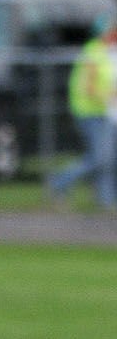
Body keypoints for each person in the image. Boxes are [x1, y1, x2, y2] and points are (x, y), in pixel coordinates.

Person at [49, 15, 117, 210]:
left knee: (107, 157)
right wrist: (110, 95)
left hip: (104, 112)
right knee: (100, 158)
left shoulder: (107, 52)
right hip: (90, 112)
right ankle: (60, 182)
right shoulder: (94, 52)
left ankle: (106, 199)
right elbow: (89, 87)